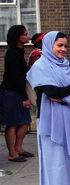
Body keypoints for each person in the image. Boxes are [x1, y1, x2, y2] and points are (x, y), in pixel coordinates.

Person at [26, 31, 70, 185]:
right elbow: (50, 92)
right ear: (49, 45)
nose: (63, 49)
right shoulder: (40, 66)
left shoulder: (68, 66)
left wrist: (65, 94)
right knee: (52, 163)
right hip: (51, 123)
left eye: (65, 46)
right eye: (59, 45)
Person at [0, 25, 33, 163]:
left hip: (17, 91)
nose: (28, 36)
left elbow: (22, 72)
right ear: (17, 37)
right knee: (12, 124)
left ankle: (18, 148)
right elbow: (15, 77)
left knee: (25, 121)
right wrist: (24, 98)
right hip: (11, 92)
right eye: (25, 34)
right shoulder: (12, 53)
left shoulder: (19, 51)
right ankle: (12, 153)